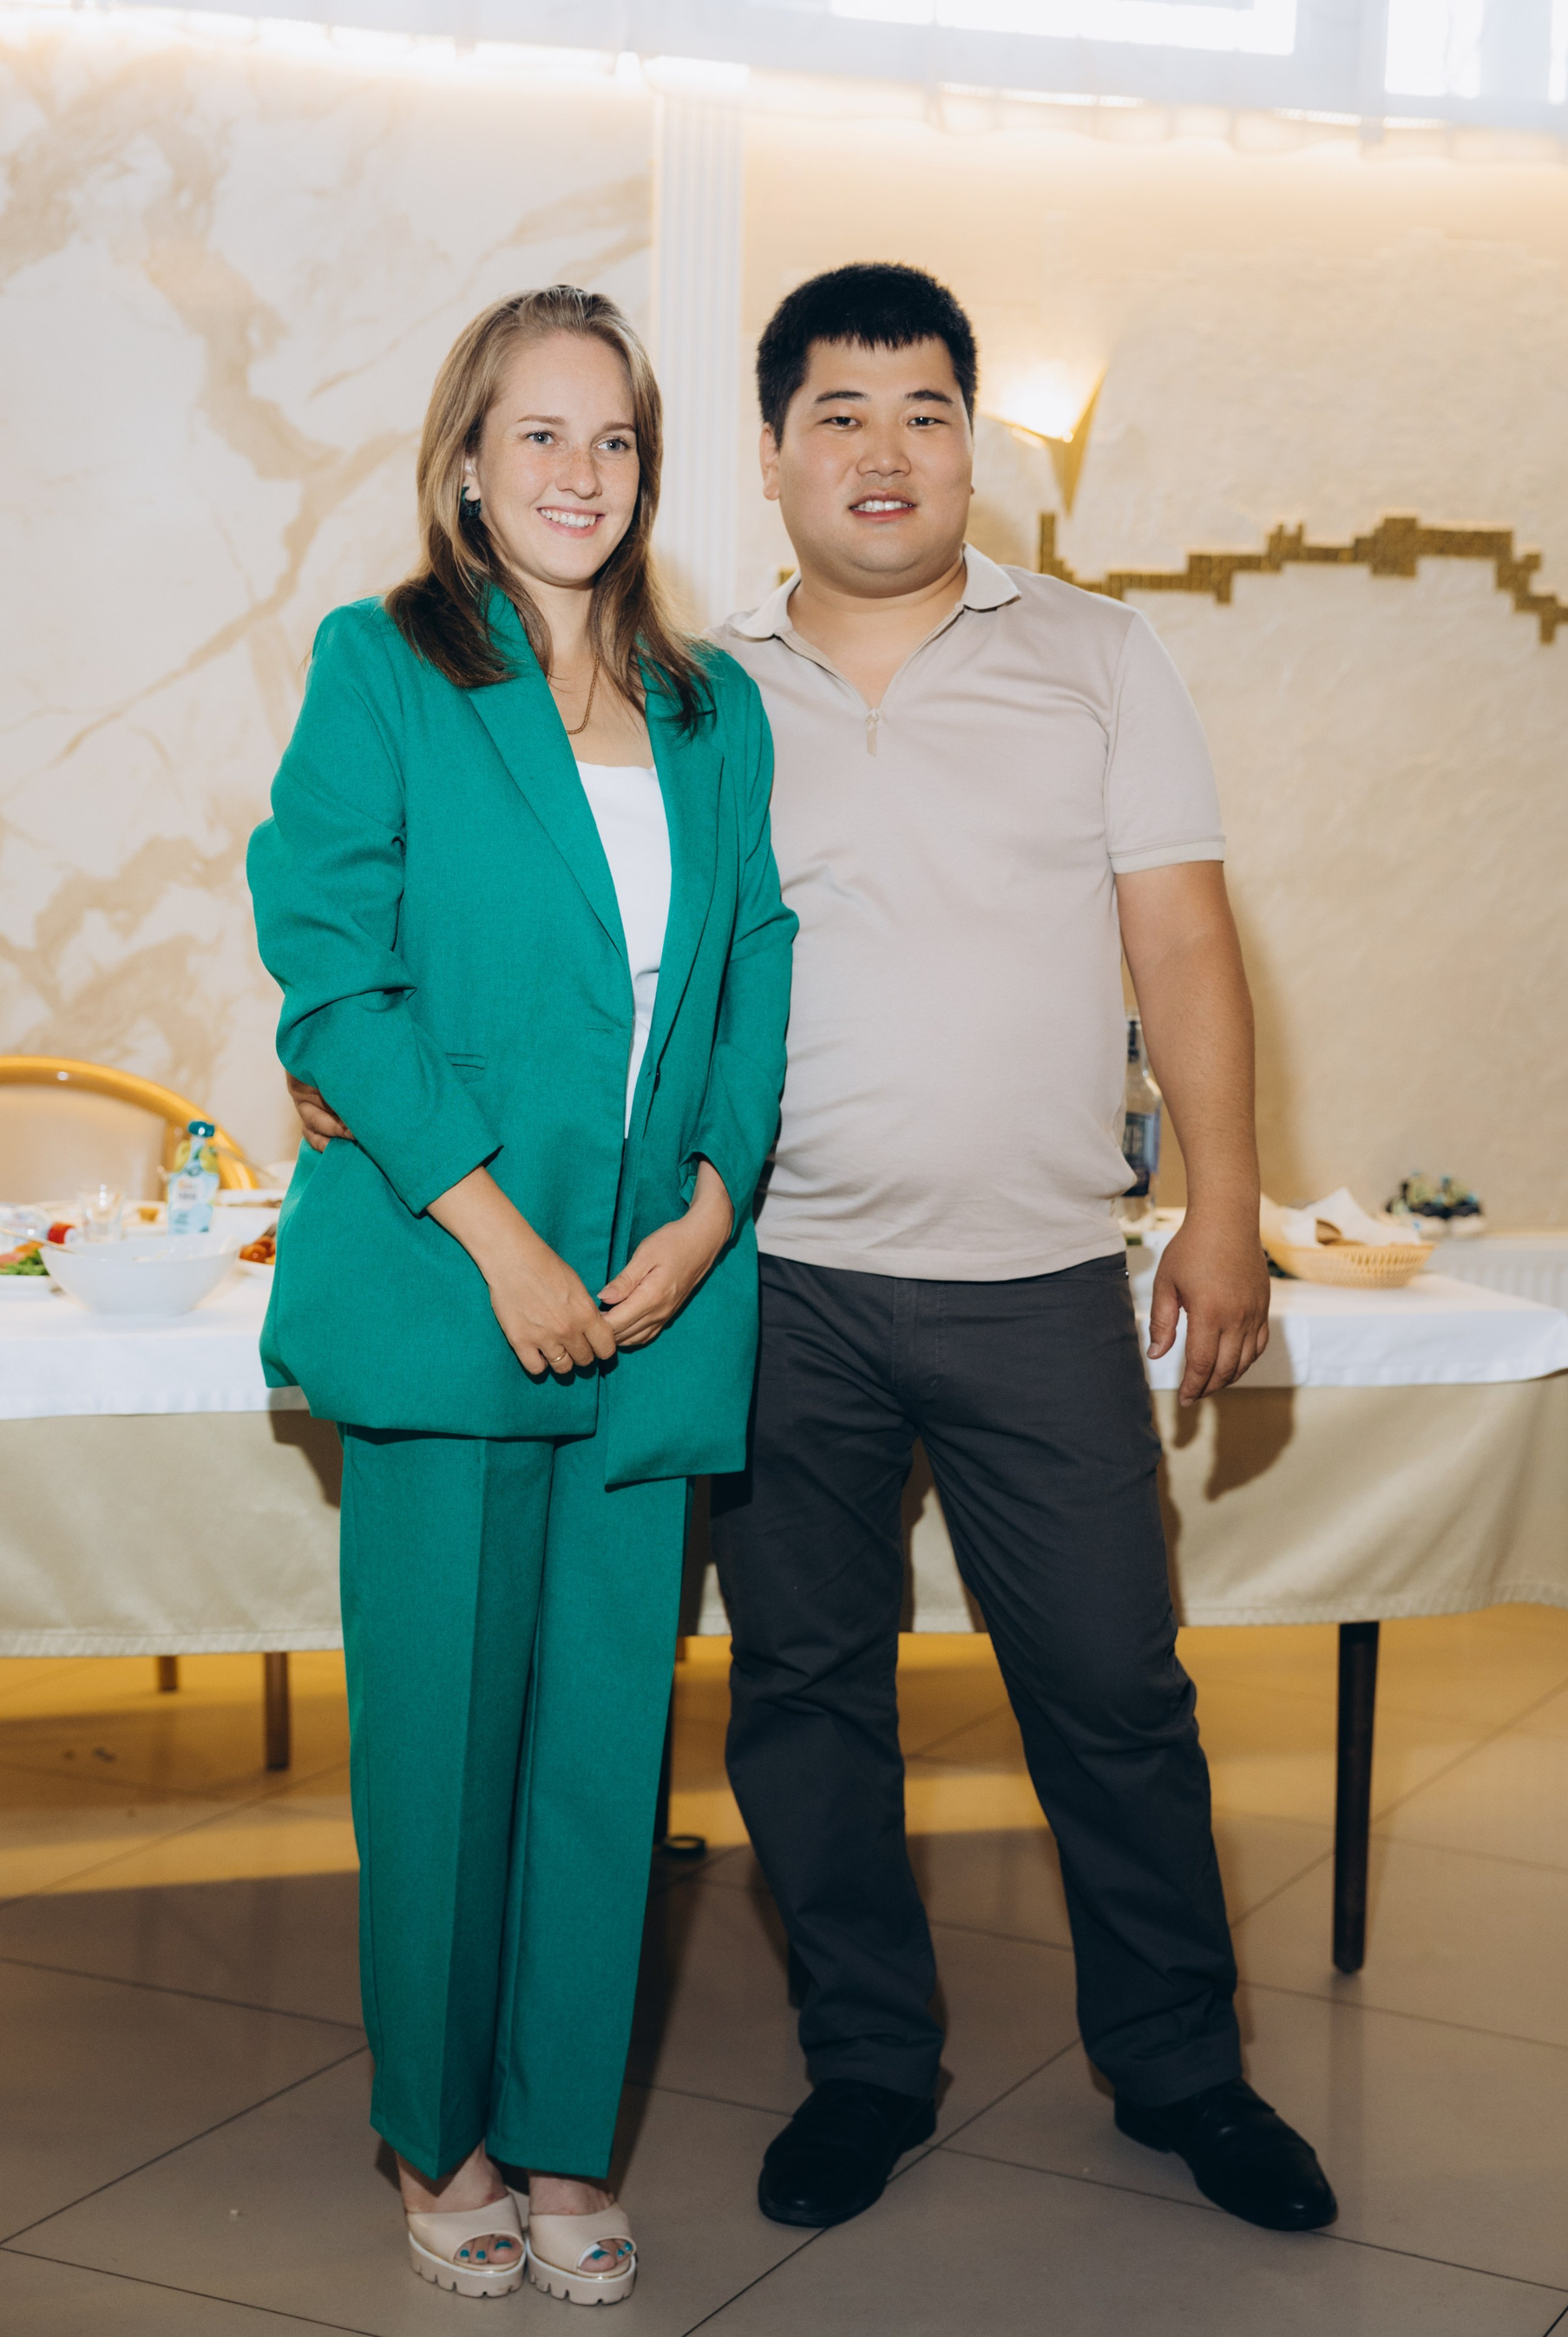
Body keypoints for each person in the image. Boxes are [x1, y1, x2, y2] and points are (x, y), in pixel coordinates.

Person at [706, 264, 1335, 2237]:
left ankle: (1182, 2065)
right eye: (840, 412)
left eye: (925, 410)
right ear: (772, 453)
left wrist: (1222, 1206)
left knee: (1112, 1689)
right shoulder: (696, 690)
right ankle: (866, 2061)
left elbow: (1182, 940)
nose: (885, 449)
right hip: (779, 1285)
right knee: (808, 1692)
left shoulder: (1098, 656)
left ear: (972, 446)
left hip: (1042, 1277)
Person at [250, 284, 794, 2303]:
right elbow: (332, 972)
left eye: (615, 437)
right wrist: (502, 1237)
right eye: (539, 433)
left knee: (598, 1756)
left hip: (651, 1299)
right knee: (442, 1752)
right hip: (454, 1286)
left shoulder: (710, 710)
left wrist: (715, 1204)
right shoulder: (384, 666)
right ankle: (442, 2130)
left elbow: (754, 968)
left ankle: (566, 2137)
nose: (581, 471)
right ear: (467, 464)